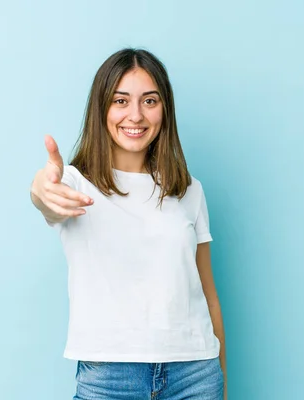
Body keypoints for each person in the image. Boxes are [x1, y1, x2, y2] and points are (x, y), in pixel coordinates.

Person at [30, 48, 227, 400]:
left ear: (164, 109)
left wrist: (222, 384)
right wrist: (43, 189)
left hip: (196, 375)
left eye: (149, 101)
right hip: (109, 379)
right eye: (121, 101)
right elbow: (47, 198)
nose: (135, 115)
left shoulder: (189, 190)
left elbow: (209, 297)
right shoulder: (74, 184)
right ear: (101, 108)